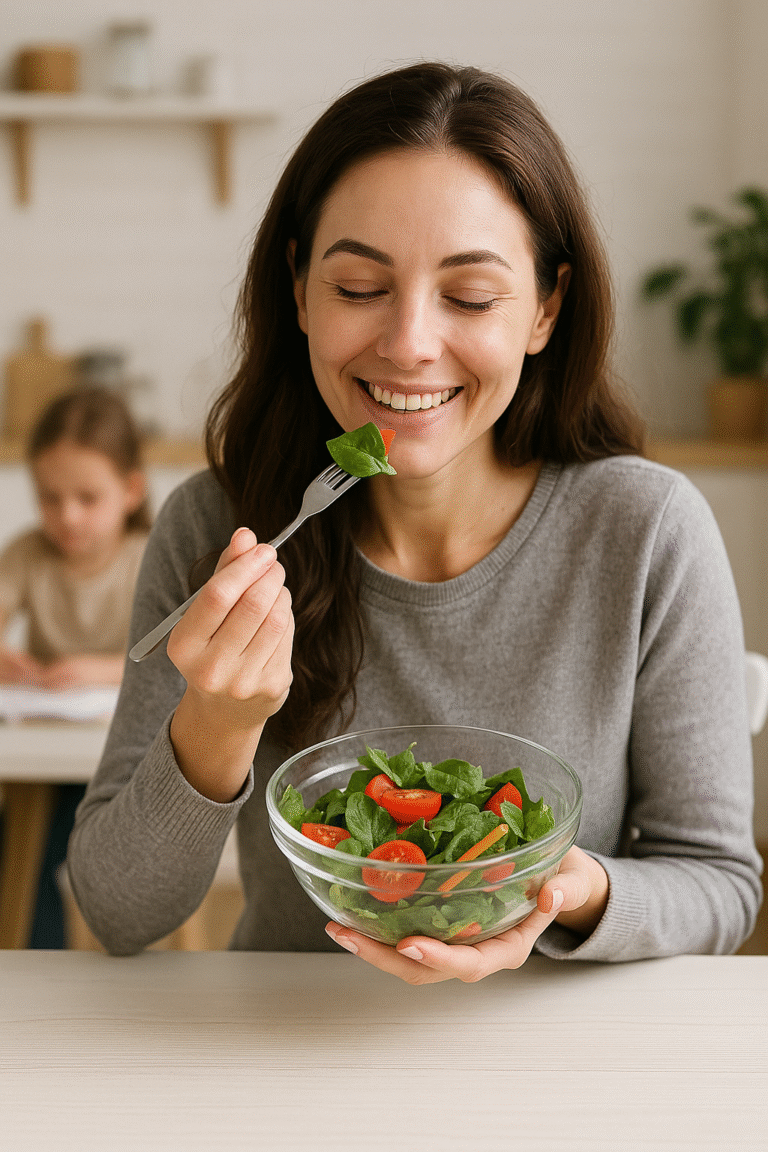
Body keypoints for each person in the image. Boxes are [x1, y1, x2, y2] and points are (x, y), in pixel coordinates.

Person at [68, 63, 761, 979]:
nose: (407, 344)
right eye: (359, 287)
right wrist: (216, 726)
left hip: (559, 1068)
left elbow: (720, 885)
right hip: (289, 1051)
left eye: (470, 298)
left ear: (546, 309)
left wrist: (558, 886)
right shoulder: (219, 526)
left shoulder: (648, 532)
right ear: (300, 288)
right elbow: (117, 912)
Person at [0, 386, 150, 947]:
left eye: (88, 497)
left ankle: (37, 957)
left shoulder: (147, 557)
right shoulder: (27, 553)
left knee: (42, 841)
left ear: (131, 490)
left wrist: (96, 669)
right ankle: (31, 957)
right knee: (21, 839)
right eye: (48, 498)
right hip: (42, 751)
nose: (67, 516)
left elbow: (177, 653)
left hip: (119, 759)